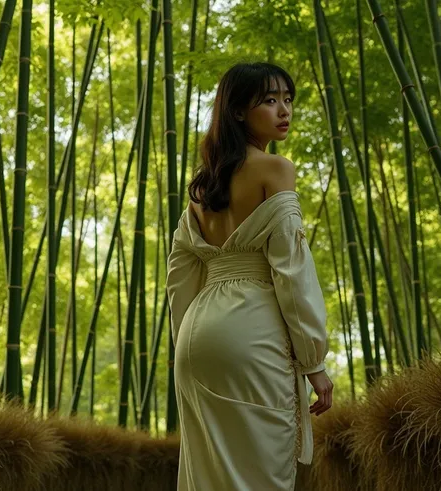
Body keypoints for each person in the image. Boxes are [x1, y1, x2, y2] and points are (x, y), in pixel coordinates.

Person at [166, 61, 333, 491]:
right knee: (261, 475)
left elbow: (179, 280)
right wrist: (314, 362)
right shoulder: (275, 169)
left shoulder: (202, 189)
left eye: (288, 100)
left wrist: (182, 346)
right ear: (238, 111)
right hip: (250, 333)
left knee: (210, 474)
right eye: (270, 100)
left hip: (195, 340)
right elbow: (291, 273)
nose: (284, 110)